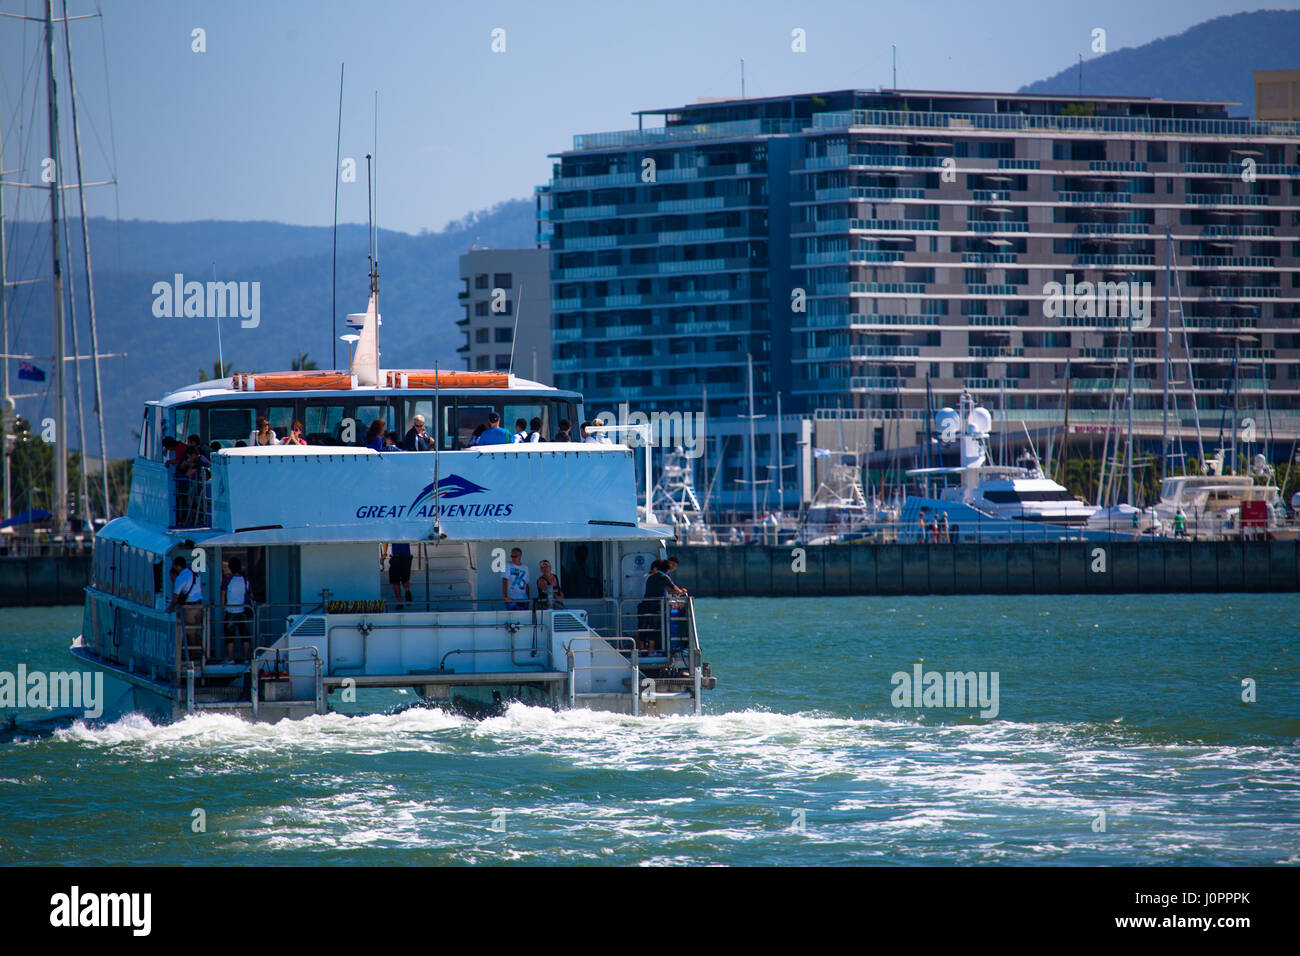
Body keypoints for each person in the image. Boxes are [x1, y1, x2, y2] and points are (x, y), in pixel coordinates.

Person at [167, 556, 205, 664]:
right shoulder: (194, 573)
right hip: (199, 606)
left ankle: (191, 659)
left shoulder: (181, 578)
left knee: (190, 634)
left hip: (190, 608)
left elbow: (175, 597)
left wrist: (170, 608)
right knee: (195, 631)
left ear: (178, 566)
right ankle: (204, 652)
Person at [221, 556, 253, 661]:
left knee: (229, 637)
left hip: (230, 611)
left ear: (230, 568)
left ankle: (230, 658)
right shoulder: (245, 580)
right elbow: (251, 595)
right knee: (245, 635)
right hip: (243, 610)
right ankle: (246, 657)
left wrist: (222, 606)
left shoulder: (227, 580)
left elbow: (222, 593)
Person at [385, 542, 413, 606]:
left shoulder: (392, 532)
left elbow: (385, 541)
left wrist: (384, 553)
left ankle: (400, 601)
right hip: (406, 557)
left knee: (395, 581)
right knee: (405, 579)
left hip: (396, 557)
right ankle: (407, 591)